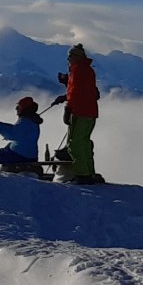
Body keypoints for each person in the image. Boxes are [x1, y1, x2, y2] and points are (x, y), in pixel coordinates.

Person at [49, 43, 101, 182]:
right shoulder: (87, 70)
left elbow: (75, 92)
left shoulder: (77, 71)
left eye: (70, 56)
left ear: (76, 57)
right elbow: (87, 91)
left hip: (80, 111)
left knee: (75, 144)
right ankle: (89, 172)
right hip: (90, 111)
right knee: (84, 143)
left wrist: (68, 107)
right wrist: (67, 86)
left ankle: (83, 175)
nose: (68, 59)